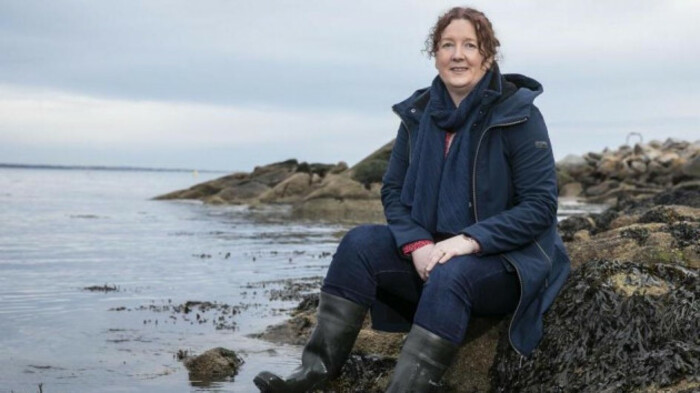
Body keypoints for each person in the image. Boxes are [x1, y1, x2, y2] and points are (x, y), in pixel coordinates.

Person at [254, 6, 570, 393]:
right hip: (434, 251)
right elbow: (392, 191)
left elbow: (539, 207)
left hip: (506, 260)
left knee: (453, 272)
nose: (458, 54)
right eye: (447, 45)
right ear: (434, 54)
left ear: (487, 57)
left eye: (470, 45)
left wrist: (468, 241)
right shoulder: (418, 115)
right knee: (359, 244)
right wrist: (417, 244)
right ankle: (314, 373)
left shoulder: (519, 114)